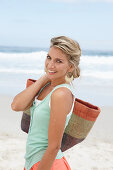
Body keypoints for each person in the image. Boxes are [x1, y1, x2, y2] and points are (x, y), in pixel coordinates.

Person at [11, 36, 81, 170]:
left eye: (58, 61)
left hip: (48, 164)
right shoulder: (46, 87)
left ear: (71, 66)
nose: (50, 64)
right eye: (49, 58)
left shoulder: (61, 94)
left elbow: (54, 146)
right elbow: (16, 105)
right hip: (33, 162)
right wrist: (45, 78)